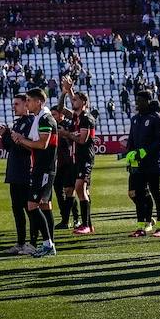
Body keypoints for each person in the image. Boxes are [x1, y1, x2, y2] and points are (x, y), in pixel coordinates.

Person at [8, 87, 58, 258]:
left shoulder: (45, 119)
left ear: (39, 102)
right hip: (40, 168)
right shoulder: (40, 118)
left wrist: (21, 139)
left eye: (29, 100)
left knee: (32, 206)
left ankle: (48, 244)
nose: (27, 103)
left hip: (44, 168)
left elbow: (42, 145)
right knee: (43, 206)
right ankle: (49, 243)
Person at [126, 91, 160, 238]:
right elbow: (131, 139)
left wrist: (145, 151)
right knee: (138, 194)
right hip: (138, 164)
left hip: (154, 163)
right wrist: (130, 154)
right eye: (136, 100)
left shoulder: (156, 118)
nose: (137, 103)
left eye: (140, 100)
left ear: (148, 101)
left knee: (157, 194)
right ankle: (141, 227)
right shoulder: (135, 119)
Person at [0, 93, 34, 255]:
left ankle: (33, 243)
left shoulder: (30, 123)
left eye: (17, 104)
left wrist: (17, 138)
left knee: (30, 209)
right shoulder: (18, 123)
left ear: (26, 105)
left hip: (25, 171)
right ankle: (21, 243)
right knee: (17, 209)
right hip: (14, 171)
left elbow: (30, 146)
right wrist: (5, 135)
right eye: (14, 104)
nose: (14, 106)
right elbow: (10, 147)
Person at [69, 89, 97, 235]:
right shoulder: (77, 117)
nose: (72, 101)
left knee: (80, 188)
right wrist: (68, 91)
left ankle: (85, 225)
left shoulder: (86, 118)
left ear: (84, 102)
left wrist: (67, 134)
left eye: (75, 100)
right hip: (77, 158)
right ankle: (89, 225)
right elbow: (67, 109)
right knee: (82, 190)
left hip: (85, 157)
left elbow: (82, 140)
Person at [51, 103, 79, 230]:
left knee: (69, 191)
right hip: (57, 164)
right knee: (59, 192)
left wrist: (63, 135)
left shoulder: (68, 126)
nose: (52, 117)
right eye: (51, 115)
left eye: (54, 114)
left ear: (61, 115)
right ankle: (65, 218)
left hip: (69, 163)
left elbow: (71, 141)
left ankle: (76, 218)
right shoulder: (51, 126)